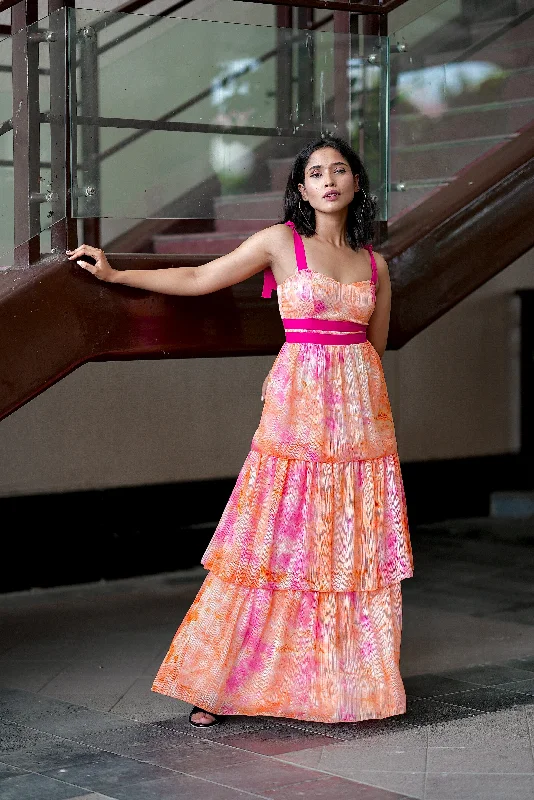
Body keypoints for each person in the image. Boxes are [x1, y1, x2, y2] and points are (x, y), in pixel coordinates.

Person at [67, 135, 413, 728]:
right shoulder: (281, 242)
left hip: (359, 422)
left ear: (356, 183)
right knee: (270, 538)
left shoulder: (375, 264)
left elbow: (371, 349)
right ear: (301, 188)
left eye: (339, 170)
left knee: (344, 544)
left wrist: (358, 402)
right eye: (314, 173)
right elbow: (202, 279)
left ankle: (336, 682)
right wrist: (120, 275)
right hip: (297, 411)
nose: (327, 180)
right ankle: (220, 683)